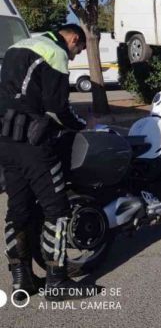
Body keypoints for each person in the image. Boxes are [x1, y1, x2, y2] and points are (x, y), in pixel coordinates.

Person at [0, 24, 100, 302]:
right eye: (78, 50)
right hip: (33, 142)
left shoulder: (18, 46)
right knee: (56, 209)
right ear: (74, 39)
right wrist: (85, 126)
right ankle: (57, 281)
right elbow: (58, 107)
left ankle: (22, 277)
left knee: (18, 209)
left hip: (5, 140)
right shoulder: (55, 52)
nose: (75, 56)